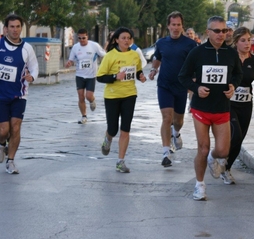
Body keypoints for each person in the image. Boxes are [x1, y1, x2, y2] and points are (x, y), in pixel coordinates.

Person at [178, 16, 243, 201]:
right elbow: (182, 76)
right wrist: (196, 88)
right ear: (208, 32)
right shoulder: (197, 53)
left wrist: (233, 86)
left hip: (222, 108)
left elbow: (238, 74)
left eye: (224, 31)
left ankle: (213, 160)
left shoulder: (230, 53)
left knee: (223, 151)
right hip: (201, 108)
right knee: (203, 148)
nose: (221, 34)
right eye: (217, 31)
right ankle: (199, 185)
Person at [148, 11, 197, 167]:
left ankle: (176, 133)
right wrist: (153, 70)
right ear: (168, 26)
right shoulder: (161, 43)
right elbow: (158, 58)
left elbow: (194, 64)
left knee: (178, 121)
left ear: (182, 26)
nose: (176, 28)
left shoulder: (190, 44)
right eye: (173, 25)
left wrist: (194, 79)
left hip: (181, 86)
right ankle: (165, 152)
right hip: (164, 85)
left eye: (178, 25)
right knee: (166, 118)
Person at [96, 27, 146, 173]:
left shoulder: (134, 55)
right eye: (123, 38)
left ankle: (120, 161)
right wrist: (114, 77)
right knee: (113, 128)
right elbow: (100, 77)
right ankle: (108, 138)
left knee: (125, 129)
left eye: (129, 38)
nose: (126, 40)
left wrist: (141, 76)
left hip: (130, 95)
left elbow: (137, 71)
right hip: (112, 96)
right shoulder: (110, 56)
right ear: (117, 39)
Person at [221, 27, 254, 184]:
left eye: (249, 40)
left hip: (246, 104)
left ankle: (226, 167)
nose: (247, 43)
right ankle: (220, 156)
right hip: (229, 103)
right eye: (243, 40)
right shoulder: (229, 57)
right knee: (236, 134)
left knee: (239, 141)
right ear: (236, 42)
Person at [0, 14, 39, 174]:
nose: (15, 30)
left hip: (19, 95)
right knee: (4, 130)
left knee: (15, 127)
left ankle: (11, 161)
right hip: (1, 96)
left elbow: (34, 67)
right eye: (12, 27)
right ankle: (2, 144)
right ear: (6, 28)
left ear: (21, 28)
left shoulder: (26, 48)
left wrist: (32, 76)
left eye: (17, 27)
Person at [65, 28, 106, 124]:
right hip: (79, 75)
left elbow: (104, 55)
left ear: (87, 37)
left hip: (91, 75)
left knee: (88, 96)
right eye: (79, 38)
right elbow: (71, 60)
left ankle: (92, 100)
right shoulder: (75, 47)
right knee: (80, 97)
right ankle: (84, 116)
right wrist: (69, 63)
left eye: (83, 38)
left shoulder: (94, 45)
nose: (82, 40)